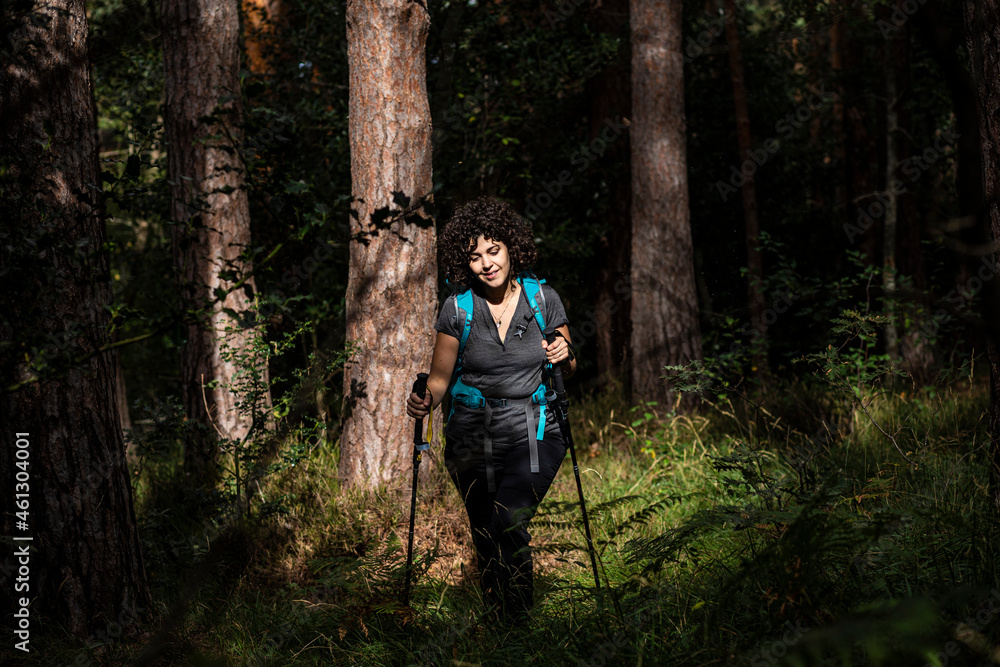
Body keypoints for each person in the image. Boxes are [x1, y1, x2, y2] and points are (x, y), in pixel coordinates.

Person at [405, 195, 576, 624]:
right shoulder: (458, 308)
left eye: (493, 250)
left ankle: (517, 625)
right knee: (485, 532)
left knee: (508, 520)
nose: (486, 263)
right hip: (471, 432)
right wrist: (425, 400)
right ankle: (496, 623)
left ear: (511, 247)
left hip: (536, 428)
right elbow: (440, 379)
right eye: (475, 256)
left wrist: (562, 350)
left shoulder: (542, 299)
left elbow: (569, 362)